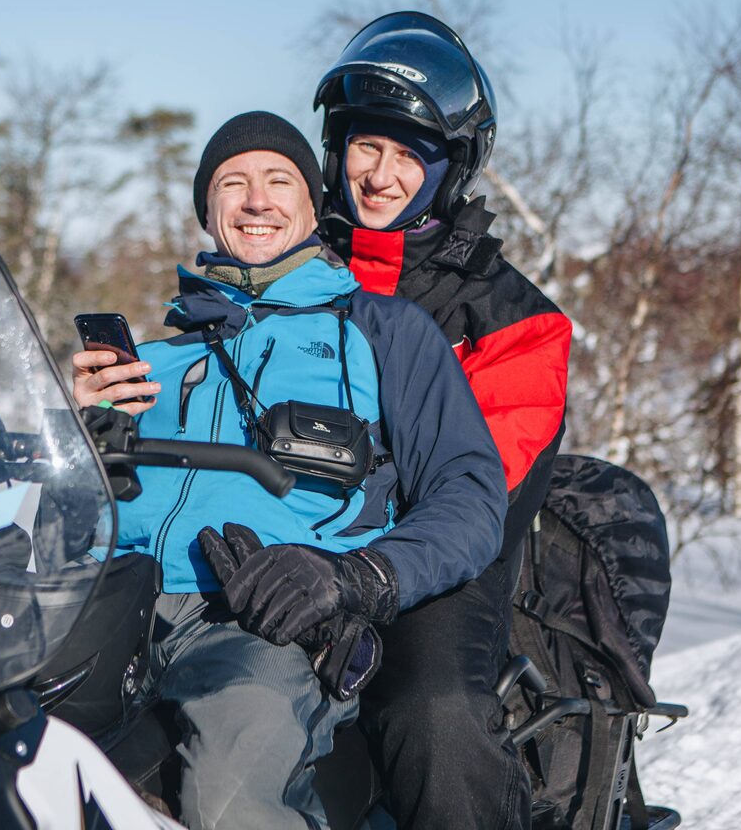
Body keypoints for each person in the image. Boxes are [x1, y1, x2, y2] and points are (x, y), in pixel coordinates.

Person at [71, 111, 507, 830]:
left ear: (312, 204)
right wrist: (83, 432)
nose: (256, 200)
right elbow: (78, 497)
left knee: (225, 796)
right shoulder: (156, 353)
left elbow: (469, 496)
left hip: (261, 624)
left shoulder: (379, 330)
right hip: (115, 608)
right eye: (232, 183)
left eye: (279, 181)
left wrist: (351, 578)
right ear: (208, 213)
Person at [313, 12, 574, 830]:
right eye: (366, 145)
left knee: (434, 713)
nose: (380, 174)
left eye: (408, 153)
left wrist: (360, 574)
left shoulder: (515, 320)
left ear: (449, 169)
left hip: (434, 571)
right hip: (282, 550)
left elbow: (473, 490)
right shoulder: (289, 278)